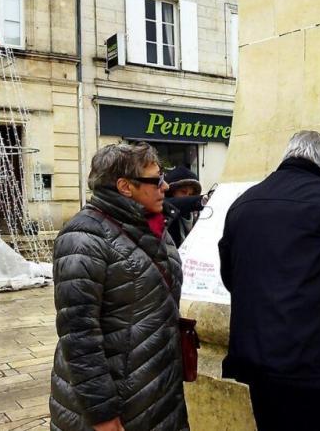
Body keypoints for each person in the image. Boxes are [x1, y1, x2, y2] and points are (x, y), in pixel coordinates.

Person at [218, 130, 320, 431]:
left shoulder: (245, 202)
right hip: (308, 358)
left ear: (288, 156)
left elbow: (230, 275)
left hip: (256, 353)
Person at [50, 143, 189, 431]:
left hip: (158, 392)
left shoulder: (153, 226)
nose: (165, 186)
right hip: (117, 404)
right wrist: (102, 414)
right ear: (125, 186)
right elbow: (79, 335)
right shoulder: (83, 238)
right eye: (156, 180)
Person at [164, 166, 208, 247]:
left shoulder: (196, 216)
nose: (188, 197)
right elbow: (170, 204)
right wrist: (203, 200)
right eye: (183, 192)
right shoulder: (164, 211)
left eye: (191, 194)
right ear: (172, 192)